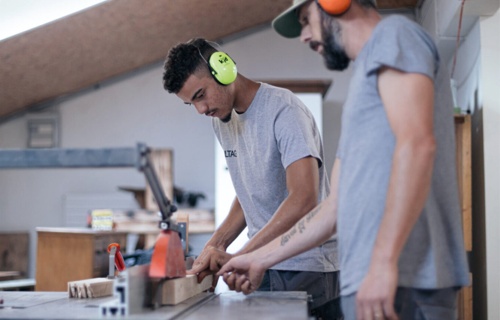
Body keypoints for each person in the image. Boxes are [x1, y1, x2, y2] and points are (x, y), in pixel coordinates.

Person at [218, 1, 470, 319]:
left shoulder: (393, 36)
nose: (304, 36)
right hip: (371, 283)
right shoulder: (363, 88)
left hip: (407, 280)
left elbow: (417, 145)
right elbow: (334, 207)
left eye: (306, 20)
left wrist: (382, 262)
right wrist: (259, 258)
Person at [162, 37, 342, 319]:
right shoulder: (223, 123)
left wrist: (243, 255)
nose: (201, 109)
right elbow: (250, 192)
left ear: (224, 69)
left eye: (200, 95)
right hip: (264, 264)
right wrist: (215, 246)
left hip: (306, 266)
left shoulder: (284, 109)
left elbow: (304, 198)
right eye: (191, 104)